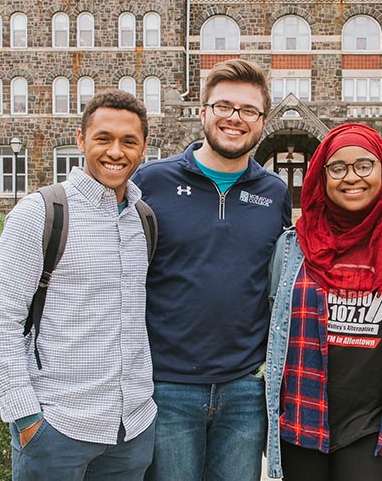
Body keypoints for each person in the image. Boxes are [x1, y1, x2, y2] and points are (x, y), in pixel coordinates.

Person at [130, 58, 292, 481]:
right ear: (203, 111)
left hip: (244, 390)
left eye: (248, 111)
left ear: (262, 122)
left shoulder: (274, 193)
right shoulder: (151, 182)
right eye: (224, 106)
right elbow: (93, 232)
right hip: (166, 388)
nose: (235, 119)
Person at [0, 90, 155, 481]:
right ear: (81, 141)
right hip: (57, 428)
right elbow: (0, 325)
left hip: (133, 429)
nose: (116, 151)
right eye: (103, 138)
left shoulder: (142, 219)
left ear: (143, 147)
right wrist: (27, 418)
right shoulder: (41, 212)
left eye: (129, 141)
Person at [263, 123, 382, 481]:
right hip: (302, 420)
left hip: (375, 429)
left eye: (364, 165)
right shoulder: (293, 246)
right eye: (337, 168)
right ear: (322, 177)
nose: (351, 177)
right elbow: (271, 319)